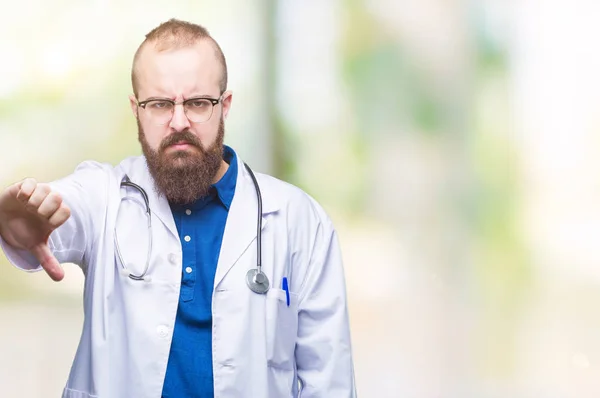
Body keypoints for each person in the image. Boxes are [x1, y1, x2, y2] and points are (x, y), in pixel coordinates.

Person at [0, 18, 356, 398]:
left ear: (226, 106)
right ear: (136, 110)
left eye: (199, 103)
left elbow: (329, 381)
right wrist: (14, 221)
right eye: (160, 104)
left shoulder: (299, 220)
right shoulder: (104, 195)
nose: (179, 121)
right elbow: (59, 208)